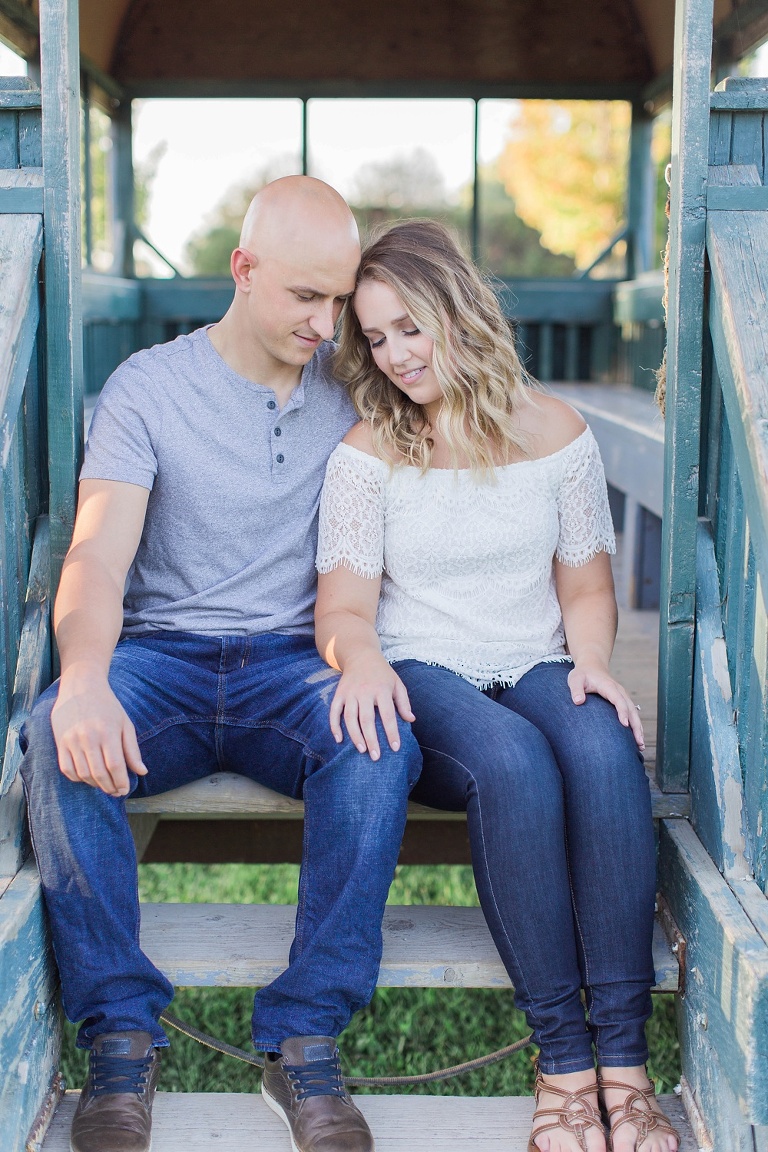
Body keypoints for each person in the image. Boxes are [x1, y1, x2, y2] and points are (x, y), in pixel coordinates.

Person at [20, 177, 421, 1152]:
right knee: (53, 731)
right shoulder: (150, 389)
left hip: (295, 663)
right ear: (242, 271)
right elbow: (99, 557)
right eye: (305, 298)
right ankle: (120, 1034)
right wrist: (81, 680)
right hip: (163, 658)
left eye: (340, 301)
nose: (328, 326)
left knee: (380, 743)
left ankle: (306, 1038)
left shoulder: (350, 389)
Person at [314, 220, 679, 1152]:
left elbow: (588, 587)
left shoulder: (557, 431)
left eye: (408, 328)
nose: (393, 355)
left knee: (600, 748)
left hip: (536, 657)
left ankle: (625, 1068)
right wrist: (358, 659)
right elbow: (346, 610)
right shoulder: (368, 451)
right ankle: (562, 1065)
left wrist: (592, 659)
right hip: (419, 670)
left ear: (457, 311)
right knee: (514, 764)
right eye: (376, 337)